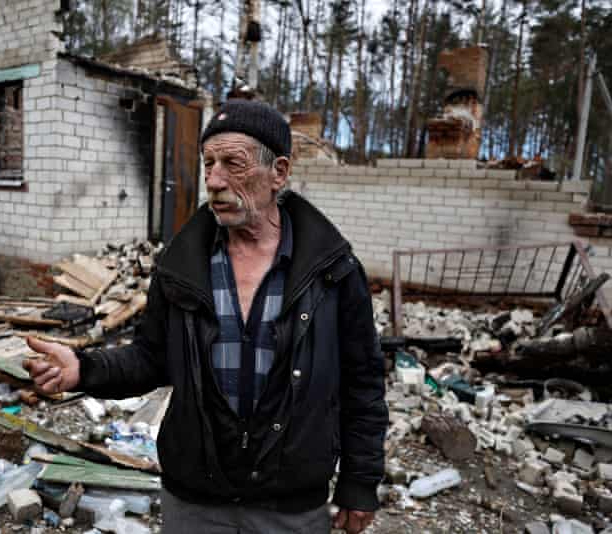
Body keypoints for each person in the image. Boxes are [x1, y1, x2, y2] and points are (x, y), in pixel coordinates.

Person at [23, 100, 387, 533]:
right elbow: (151, 358)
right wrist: (84, 368)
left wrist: (360, 482)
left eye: (233, 163)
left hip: (291, 506)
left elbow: (363, 383)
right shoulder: (182, 267)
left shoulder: (332, 271)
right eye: (208, 163)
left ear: (279, 173)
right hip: (195, 501)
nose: (213, 181)